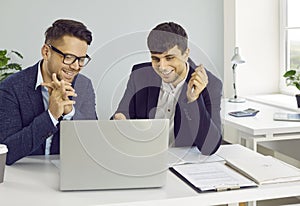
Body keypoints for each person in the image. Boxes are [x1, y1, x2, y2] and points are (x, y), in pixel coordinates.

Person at [113, 22, 222, 155]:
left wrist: (193, 100)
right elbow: (122, 114)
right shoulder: (140, 75)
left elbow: (209, 148)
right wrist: (119, 121)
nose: (162, 67)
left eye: (169, 58)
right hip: (144, 158)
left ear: (186, 54)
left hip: (183, 164)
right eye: (155, 59)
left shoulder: (210, 85)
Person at [0, 19, 97, 165]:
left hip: (67, 175)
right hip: (23, 175)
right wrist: (51, 115)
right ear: (46, 52)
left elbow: (93, 144)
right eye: (69, 58)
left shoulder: (84, 85)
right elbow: (7, 152)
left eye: (81, 59)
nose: (76, 66)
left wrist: (70, 113)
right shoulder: (11, 87)